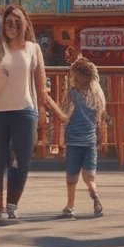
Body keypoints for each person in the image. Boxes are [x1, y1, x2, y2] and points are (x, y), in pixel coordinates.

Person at [0, 4, 47, 224]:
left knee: (21, 161)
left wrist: (42, 111)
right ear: (2, 24)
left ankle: (13, 206)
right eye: (8, 21)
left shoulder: (33, 49)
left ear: (25, 24)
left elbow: (40, 86)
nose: (13, 25)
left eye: (17, 21)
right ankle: (0, 207)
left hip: (24, 111)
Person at [44, 57, 106, 218]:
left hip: (73, 141)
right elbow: (99, 119)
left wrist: (49, 101)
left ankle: (70, 205)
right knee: (89, 176)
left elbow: (65, 117)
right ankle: (94, 192)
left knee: (72, 176)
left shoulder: (73, 94)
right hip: (90, 141)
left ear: (76, 78)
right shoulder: (97, 96)